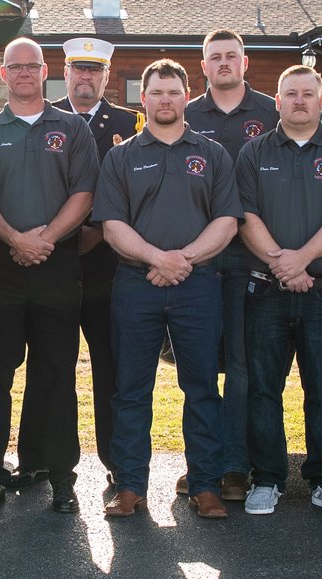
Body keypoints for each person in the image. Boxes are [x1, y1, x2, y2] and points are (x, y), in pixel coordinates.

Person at [94, 59, 242, 521]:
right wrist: (158, 259)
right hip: (136, 284)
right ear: (144, 99)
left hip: (198, 285)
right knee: (131, 389)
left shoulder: (213, 154)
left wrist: (184, 261)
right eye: (156, 92)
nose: (164, 99)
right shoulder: (120, 157)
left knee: (200, 387)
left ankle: (205, 485)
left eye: (173, 92)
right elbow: (112, 226)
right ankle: (130, 485)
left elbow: (227, 221)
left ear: (186, 96)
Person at [0, 37, 99, 515]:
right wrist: (16, 241)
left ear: (45, 73)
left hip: (57, 265)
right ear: (3, 74)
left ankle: (59, 473)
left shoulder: (72, 129)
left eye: (32, 66)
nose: (23, 73)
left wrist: (43, 241)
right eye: (14, 66)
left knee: (57, 372)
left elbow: (84, 193)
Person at [235, 65, 322, 517]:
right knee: (263, 391)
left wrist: (302, 260)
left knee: (321, 390)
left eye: (307, 94)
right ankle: (267, 479)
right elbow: (245, 217)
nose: (299, 101)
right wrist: (281, 262)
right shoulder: (253, 152)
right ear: (276, 101)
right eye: (290, 94)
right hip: (265, 291)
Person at [185, 29, 279, 503]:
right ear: (203, 66)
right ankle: (203, 462)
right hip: (197, 263)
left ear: (245, 63)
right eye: (214, 57)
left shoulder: (270, 114)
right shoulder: (184, 115)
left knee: (242, 367)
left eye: (231, 56)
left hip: (248, 261)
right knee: (198, 368)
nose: (223, 63)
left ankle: (235, 465)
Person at [48, 36, 141, 493]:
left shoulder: (130, 122)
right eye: (78, 70)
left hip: (109, 267)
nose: (86, 78)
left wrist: (99, 232)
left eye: (95, 71)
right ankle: (50, 463)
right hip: (55, 262)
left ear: (106, 76)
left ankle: (116, 460)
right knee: (55, 367)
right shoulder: (45, 121)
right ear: (65, 73)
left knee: (111, 368)